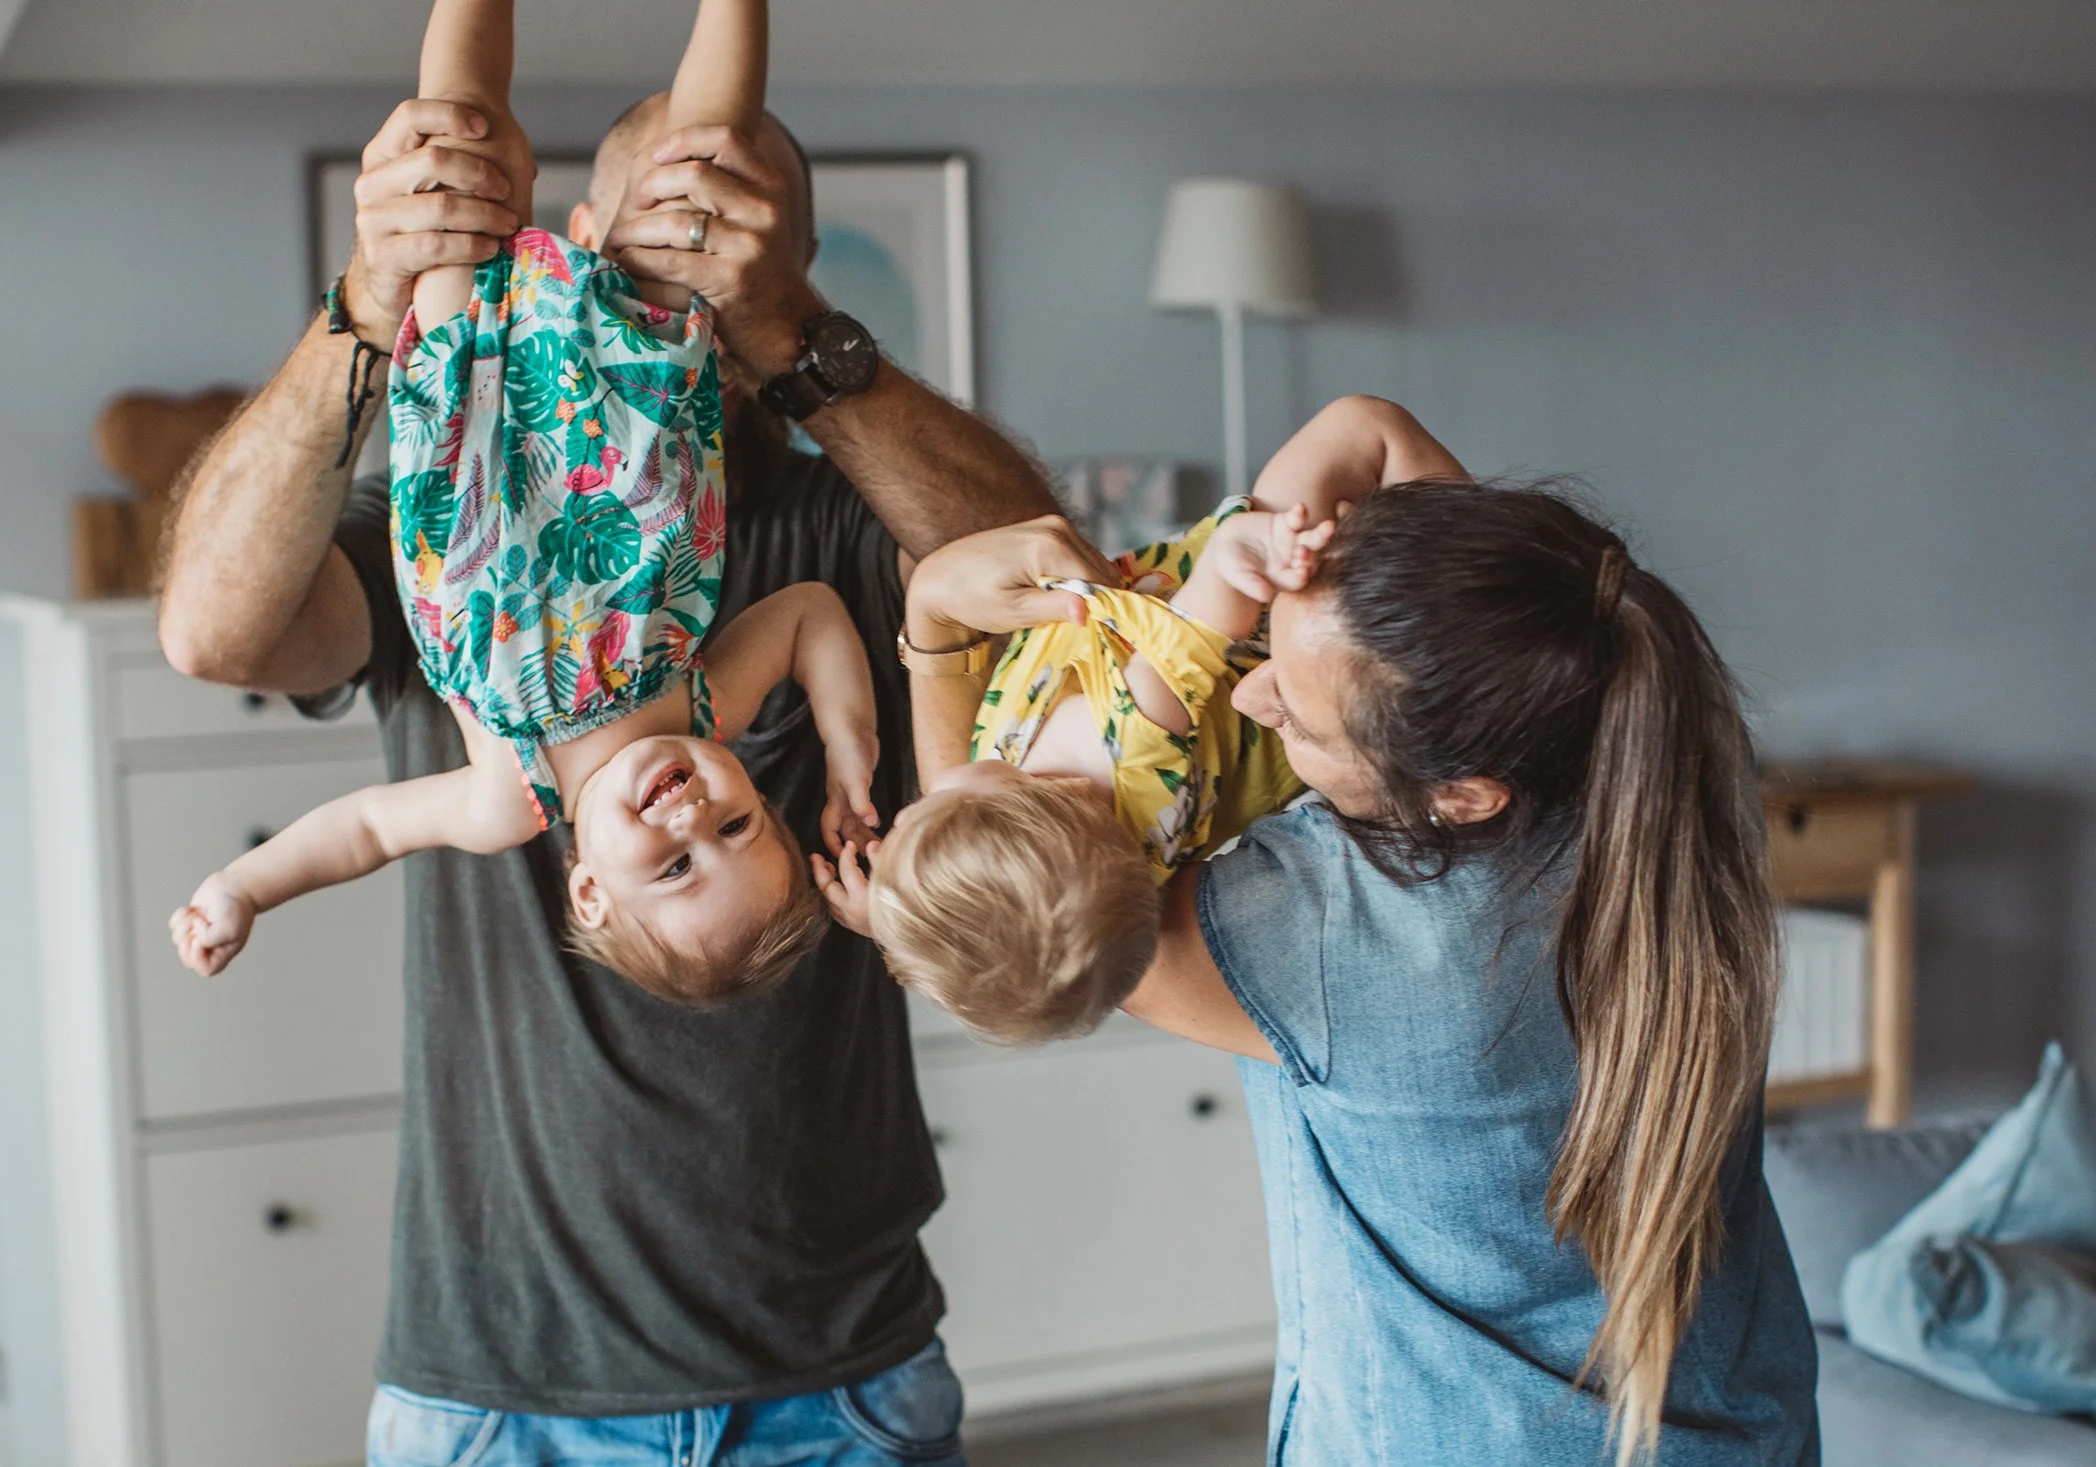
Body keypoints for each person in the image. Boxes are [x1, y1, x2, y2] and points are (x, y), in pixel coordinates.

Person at [157, 69, 1055, 1467]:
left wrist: (792, 332)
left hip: (838, 1374)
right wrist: (370, 305)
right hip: (505, 1388)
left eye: (739, 231)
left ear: (787, 266)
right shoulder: (460, 534)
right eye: (662, 219)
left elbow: (1053, 566)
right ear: (582, 234)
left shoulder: (846, 527)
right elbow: (212, 632)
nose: (689, 257)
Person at [906, 395, 1821, 1465]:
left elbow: (1012, 901)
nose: (1250, 704)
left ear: (1462, 796)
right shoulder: (1665, 770)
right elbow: (1378, 442)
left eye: (1296, 712)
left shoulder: (1331, 932)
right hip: (1734, 1426)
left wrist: (934, 622)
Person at [168, 0, 882, 1005]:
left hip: (472, 413)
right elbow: (813, 616)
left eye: (675, 866)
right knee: (702, 175)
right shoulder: (708, 707)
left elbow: (366, 828)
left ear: (588, 890)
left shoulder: (509, 798)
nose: (693, 819)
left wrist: (243, 889)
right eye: (741, 826)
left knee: (458, 139)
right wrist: (852, 760)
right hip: (640, 411)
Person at [817, 402, 1418, 1044]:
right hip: (1263, 608)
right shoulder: (1131, 745)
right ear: (1020, 805)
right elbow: (1204, 626)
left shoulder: (1070, 856)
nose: (903, 812)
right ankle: (1477, 540)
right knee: (1353, 434)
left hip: (1199, 658)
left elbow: (1010, 925)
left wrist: (898, 911)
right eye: (921, 816)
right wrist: (1239, 553)